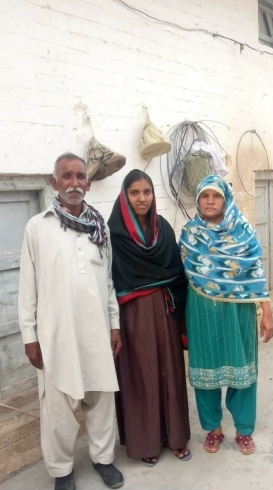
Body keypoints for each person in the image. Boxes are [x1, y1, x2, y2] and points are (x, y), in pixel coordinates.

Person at [18, 153, 124, 490]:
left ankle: (103, 459)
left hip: (95, 332)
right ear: (54, 183)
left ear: (88, 184)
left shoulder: (100, 229)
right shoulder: (38, 226)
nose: (74, 182)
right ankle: (62, 471)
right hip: (55, 336)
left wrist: (114, 325)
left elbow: (107, 282)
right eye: (66, 176)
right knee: (58, 409)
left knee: (100, 399)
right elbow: (27, 287)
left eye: (80, 176)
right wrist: (30, 337)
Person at [179, 174, 273, 455]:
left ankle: (244, 430)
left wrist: (267, 313)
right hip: (202, 309)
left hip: (239, 311)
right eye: (204, 196)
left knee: (242, 369)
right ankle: (213, 429)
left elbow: (256, 272)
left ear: (225, 199)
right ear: (198, 200)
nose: (210, 201)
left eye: (216, 195)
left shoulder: (244, 231)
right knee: (205, 369)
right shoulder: (189, 234)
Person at [108, 169, 191, 466]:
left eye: (146, 192)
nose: (141, 198)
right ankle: (148, 441)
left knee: (168, 371)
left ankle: (176, 437)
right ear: (124, 195)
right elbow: (110, 280)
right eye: (134, 193)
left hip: (164, 313)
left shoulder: (164, 229)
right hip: (133, 315)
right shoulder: (114, 233)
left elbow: (176, 273)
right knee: (141, 375)